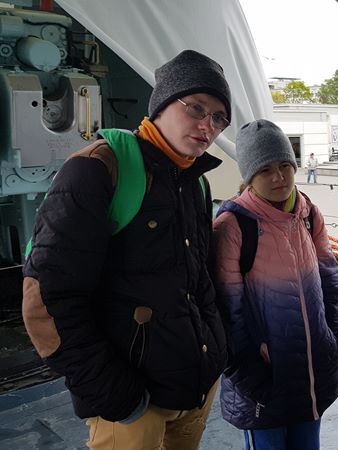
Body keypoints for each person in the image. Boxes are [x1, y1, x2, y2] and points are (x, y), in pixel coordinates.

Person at [22, 49, 231, 448]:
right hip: (132, 402)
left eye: (219, 118)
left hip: (195, 387)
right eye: (196, 108)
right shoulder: (98, 168)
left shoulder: (196, 182)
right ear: (162, 104)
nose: (208, 125)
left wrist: (219, 349)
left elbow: (201, 278)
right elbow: (46, 300)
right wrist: (116, 395)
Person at [212, 119, 338, 450]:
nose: (279, 177)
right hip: (262, 383)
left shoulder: (308, 214)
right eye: (265, 170)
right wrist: (251, 378)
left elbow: (330, 284)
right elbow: (227, 312)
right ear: (249, 177)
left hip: (312, 374)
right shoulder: (233, 225)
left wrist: (334, 344)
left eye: (285, 165)